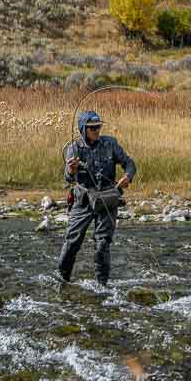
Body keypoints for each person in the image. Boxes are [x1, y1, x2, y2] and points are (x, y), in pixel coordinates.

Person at [58, 111, 137, 285]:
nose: (96, 130)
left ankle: (102, 286)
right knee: (72, 242)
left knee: (102, 244)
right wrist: (71, 170)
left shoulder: (111, 144)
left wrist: (128, 177)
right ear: (83, 129)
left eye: (98, 127)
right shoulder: (74, 148)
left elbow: (129, 163)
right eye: (92, 128)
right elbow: (68, 179)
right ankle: (62, 281)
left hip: (107, 200)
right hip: (83, 202)